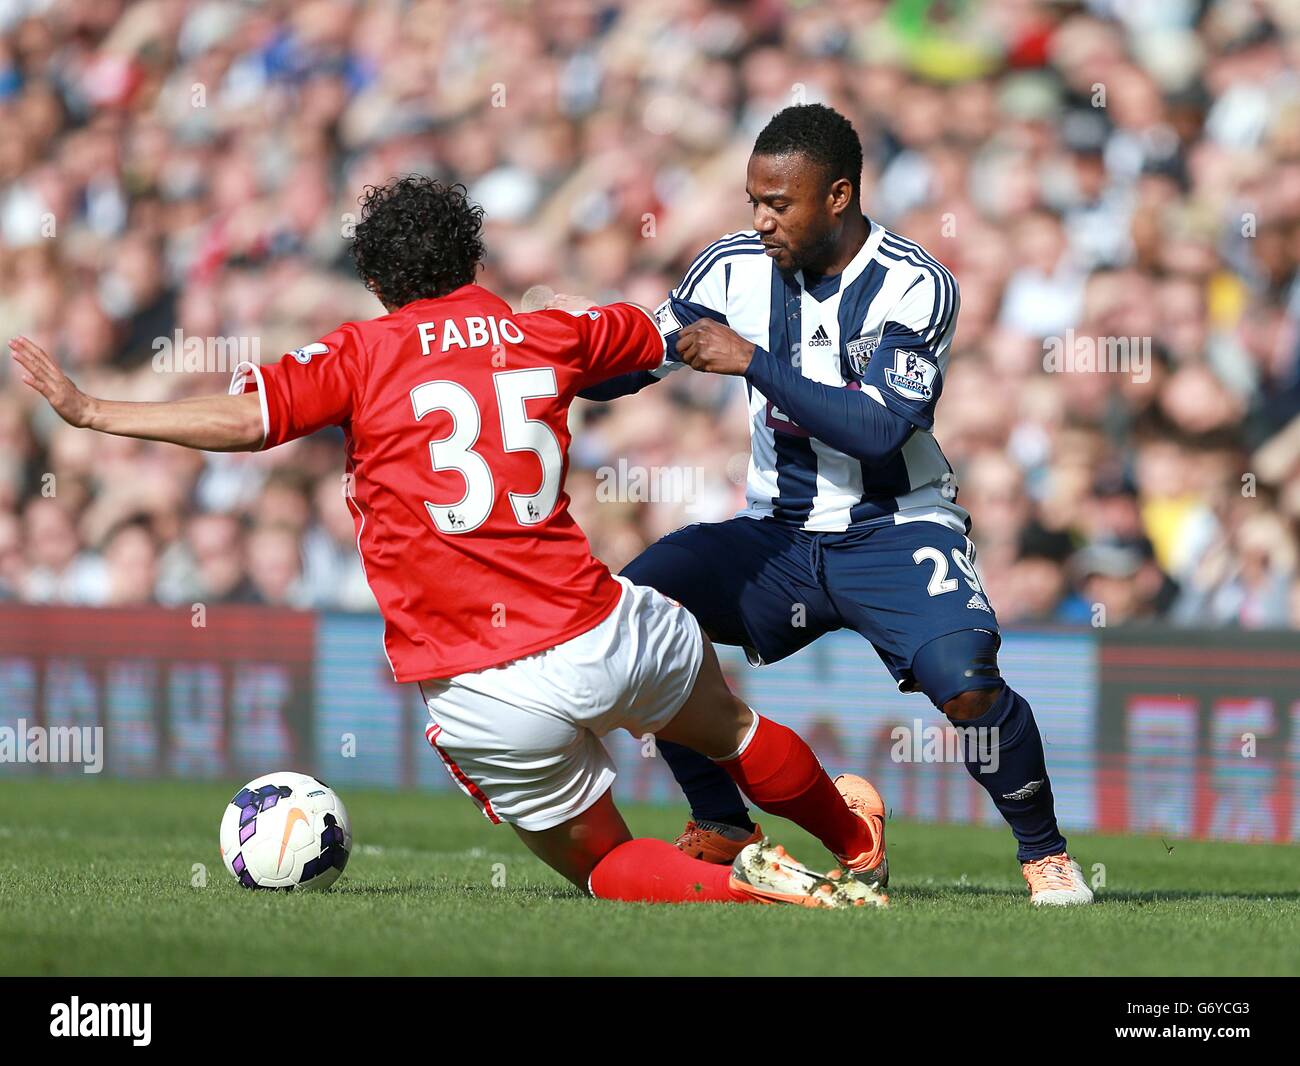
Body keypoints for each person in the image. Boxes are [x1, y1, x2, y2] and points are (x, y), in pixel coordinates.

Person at [10, 175, 887, 909]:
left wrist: (95, 411)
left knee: (601, 864)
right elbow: (661, 335)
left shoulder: (362, 352)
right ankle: (854, 845)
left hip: (478, 682)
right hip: (602, 629)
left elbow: (247, 422)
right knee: (733, 728)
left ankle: (754, 886)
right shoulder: (546, 332)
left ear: (381, 284)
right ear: (473, 258)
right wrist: (565, 314)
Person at [579, 104, 1093, 905]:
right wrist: (536, 364)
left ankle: (1045, 855)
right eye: (753, 200)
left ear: (839, 196)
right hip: (777, 534)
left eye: (778, 204)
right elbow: (640, 357)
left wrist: (752, 362)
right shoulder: (730, 268)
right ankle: (723, 822)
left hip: (893, 524)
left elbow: (882, 430)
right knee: (637, 615)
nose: (760, 220)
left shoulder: (916, 284)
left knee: (966, 686)